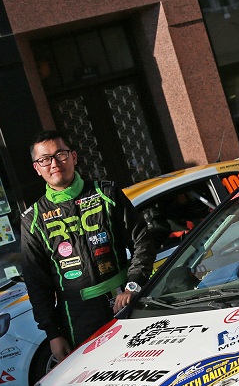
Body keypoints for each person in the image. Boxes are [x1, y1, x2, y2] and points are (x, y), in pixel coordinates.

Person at [20, 130, 156, 364]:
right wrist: (53, 333)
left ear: (73, 156)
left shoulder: (107, 193)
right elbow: (37, 283)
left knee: (144, 365)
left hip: (125, 301)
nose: (54, 164)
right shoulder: (32, 219)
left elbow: (142, 240)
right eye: (45, 159)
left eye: (60, 154)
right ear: (37, 168)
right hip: (77, 316)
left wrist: (134, 285)